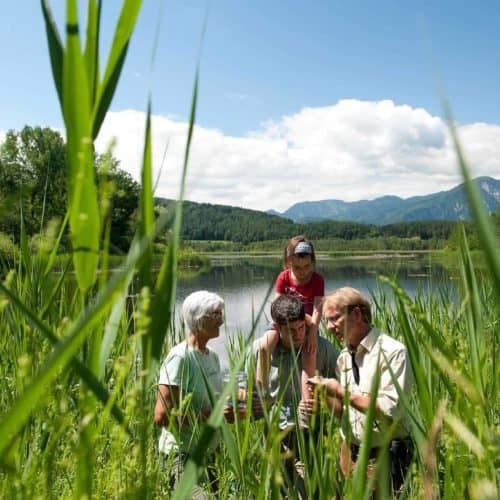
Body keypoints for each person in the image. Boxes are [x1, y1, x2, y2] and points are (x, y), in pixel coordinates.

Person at [308, 287, 414, 496]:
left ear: (357, 314)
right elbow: (343, 412)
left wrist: (340, 391)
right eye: (326, 321)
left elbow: (387, 410)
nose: (329, 327)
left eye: (334, 319)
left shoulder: (393, 352)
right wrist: (325, 397)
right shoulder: (343, 357)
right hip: (350, 451)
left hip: (384, 454)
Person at [153, 290, 244, 496]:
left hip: (210, 452)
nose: (221, 320)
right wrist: (212, 416)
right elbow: (161, 416)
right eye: (216, 315)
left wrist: (240, 405)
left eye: (222, 314)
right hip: (182, 455)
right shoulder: (180, 358)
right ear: (199, 319)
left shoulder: (211, 357)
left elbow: (217, 399)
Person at [248, 294, 338, 498]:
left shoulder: (322, 348)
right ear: (277, 328)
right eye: (291, 331)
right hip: (276, 431)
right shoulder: (260, 350)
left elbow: (341, 389)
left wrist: (323, 404)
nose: (299, 336)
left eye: (301, 328)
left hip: (313, 431)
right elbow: (249, 388)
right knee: (278, 489)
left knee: (315, 489)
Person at [257, 235, 325, 404]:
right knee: (265, 345)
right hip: (283, 320)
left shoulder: (317, 280)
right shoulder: (284, 277)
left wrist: (312, 332)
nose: (302, 271)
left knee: (309, 353)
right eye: (297, 267)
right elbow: (277, 304)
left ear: (313, 261)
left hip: (307, 324)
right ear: (288, 262)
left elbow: (318, 308)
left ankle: (307, 403)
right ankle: (262, 393)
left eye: (307, 266)